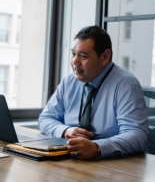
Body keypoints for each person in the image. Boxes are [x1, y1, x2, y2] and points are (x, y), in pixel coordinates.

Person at [38, 25, 148, 160]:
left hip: (110, 166)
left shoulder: (126, 84)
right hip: (70, 159)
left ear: (105, 57)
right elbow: (45, 118)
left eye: (83, 56)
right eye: (73, 54)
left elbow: (137, 136)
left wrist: (97, 147)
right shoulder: (69, 82)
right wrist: (66, 131)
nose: (74, 62)